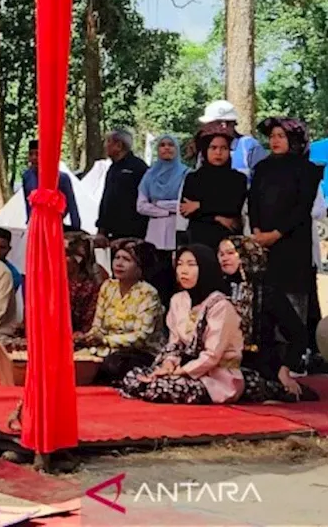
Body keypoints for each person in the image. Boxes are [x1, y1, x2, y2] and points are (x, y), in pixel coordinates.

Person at [120, 246, 244, 404]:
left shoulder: (221, 305)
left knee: (157, 388)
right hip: (181, 368)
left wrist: (180, 372)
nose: (183, 271)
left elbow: (212, 356)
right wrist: (168, 364)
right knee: (133, 377)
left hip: (216, 377)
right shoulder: (178, 300)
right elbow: (175, 343)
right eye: (180, 264)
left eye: (191, 265)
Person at [249, 117, 322, 328]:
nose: (275, 141)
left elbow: (302, 208)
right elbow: (253, 201)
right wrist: (258, 232)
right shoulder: (262, 168)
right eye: (272, 136)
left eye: (281, 136)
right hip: (263, 244)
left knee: (292, 300)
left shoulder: (307, 169)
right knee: (264, 298)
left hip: (293, 244)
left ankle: (294, 352)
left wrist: (276, 234)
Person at [218, 237, 310, 401]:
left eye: (231, 253)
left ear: (247, 254)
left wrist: (285, 369)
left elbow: (298, 333)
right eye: (221, 254)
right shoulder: (217, 289)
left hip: (258, 365)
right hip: (219, 363)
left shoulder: (266, 290)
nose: (224, 258)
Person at [76, 239, 163, 383]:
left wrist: (105, 340)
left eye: (126, 260)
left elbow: (141, 337)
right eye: (117, 258)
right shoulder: (108, 287)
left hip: (140, 353)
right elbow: (98, 326)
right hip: (105, 349)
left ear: (139, 268)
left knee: (112, 364)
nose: (119, 263)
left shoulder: (148, 293)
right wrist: (88, 337)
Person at [180, 132, 247, 251]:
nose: (218, 152)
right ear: (205, 150)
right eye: (213, 147)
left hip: (228, 237)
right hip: (200, 237)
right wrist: (218, 217)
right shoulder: (193, 178)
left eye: (224, 148)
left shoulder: (238, 179)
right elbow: (186, 210)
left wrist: (199, 205)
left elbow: (232, 206)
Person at [136, 135, 188, 254]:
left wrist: (158, 203)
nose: (166, 148)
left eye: (171, 145)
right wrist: (167, 211)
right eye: (162, 145)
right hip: (155, 233)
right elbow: (141, 206)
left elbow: (184, 205)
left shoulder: (186, 173)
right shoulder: (150, 175)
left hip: (177, 230)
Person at [96, 129, 149, 243]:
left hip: (132, 232)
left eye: (108, 141)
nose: (105, 146)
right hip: (110, 232)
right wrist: (101, 228)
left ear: (119, 145)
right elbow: (107, 199)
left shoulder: (138, 167)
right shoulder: (112, 169)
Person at [20, 139, 82, 230]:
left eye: (37, 154)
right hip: (35, 225)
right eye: (31, 154)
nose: (33, 158)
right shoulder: (27, 177)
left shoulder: (62, 178)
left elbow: (72, 205)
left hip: (56, 225)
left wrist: (76, 228)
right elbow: (28, 204)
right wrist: (30, 222)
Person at [199, 100, 267, 179]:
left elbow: (265, 180)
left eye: (210, 125)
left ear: (223, 125)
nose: (206, 129)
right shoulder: (205, 149)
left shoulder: (249, 146)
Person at [67, 232, 109, 334]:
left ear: (79, 259)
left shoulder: (91, 286)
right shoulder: (48, 281)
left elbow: (89, 324)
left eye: (65, 254)